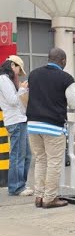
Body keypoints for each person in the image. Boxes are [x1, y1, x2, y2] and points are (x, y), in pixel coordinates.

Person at [26, 47, 75, 209]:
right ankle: (49, 198)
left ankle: (39, 196)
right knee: (53, 162)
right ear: (63, 61)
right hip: (53, 127)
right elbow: (73, 103)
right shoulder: (65, 78)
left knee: (40, 161)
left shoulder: (34, 74)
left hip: (33, 125)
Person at [0, 55, 30, 197]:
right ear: (13, 66)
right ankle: (16, 187)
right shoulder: (4, 80)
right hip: (15, 121)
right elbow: (12, 101)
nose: (18, 73)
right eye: (18, 69)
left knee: (26, 155)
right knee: (18, 155)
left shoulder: (7, 80)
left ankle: (20, 184)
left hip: (19, 120)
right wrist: (22, 90)